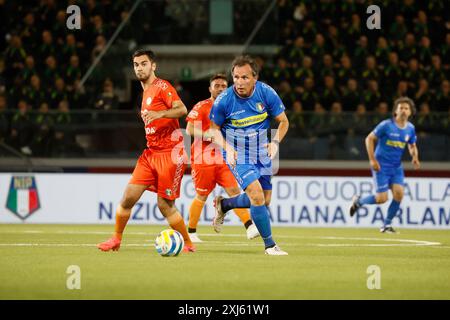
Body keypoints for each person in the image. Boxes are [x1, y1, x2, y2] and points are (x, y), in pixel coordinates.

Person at [97, 49, 195, 252]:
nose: (139, 68)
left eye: (143, 63)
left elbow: (182, 109)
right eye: (136, 64)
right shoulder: (145, 92)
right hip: (150, 154)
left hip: (170, 152)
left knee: (165, 205)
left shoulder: (162, 86)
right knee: (127, 199)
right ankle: (116, 239)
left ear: (153, 66)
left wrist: (159, 114)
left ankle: (188, 243)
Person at [209, 55, 290, 255]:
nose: (239, 82)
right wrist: (227, 148)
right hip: (238, 154)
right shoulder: (224, 100)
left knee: (265, 199)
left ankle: (225, 204)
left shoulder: (266, 93)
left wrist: (275, 142)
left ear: (255, 77)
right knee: (256, 195)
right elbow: (213, 130)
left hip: (262, 152)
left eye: (244, 77)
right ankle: (270, 245)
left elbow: (284, 121)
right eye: (236, 77)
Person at [185, 73, 260, 243]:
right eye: (216, 85)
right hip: (203, 157)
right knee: (202, 195)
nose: (220, 88)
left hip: (226, 157)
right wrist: (206, 135)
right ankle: (190, 232)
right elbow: (189, 129)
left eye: (223, 86)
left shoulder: (233, 106)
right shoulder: (202, 106)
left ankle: (249, 226)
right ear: (210, 88)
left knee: (234, 191)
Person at [349, 97, 420, 233]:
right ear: (395, 111)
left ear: (410, 112)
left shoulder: (410, 128)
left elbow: (412, 145)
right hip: (381, 165)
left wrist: (415, 156)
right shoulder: (386, 125)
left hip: (396, 167)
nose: (404, 111)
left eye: (406, 108)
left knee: (399, 194)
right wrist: (372, 160)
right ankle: (358, 202)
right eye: (401, 108)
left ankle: (386, 225)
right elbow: (369, 138)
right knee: (382, 198)